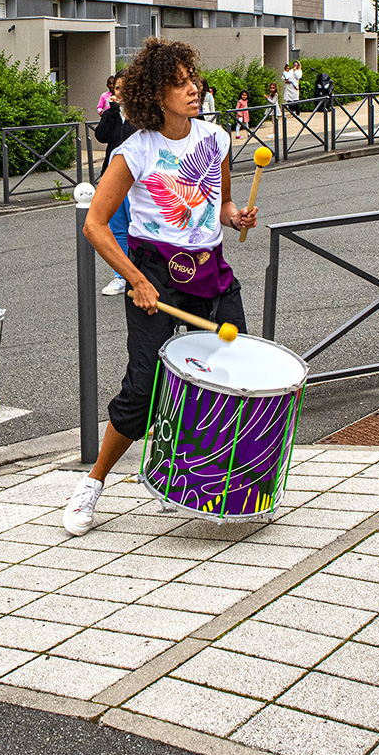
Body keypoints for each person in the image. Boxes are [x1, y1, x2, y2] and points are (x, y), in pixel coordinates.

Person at [65, 37, 256, 536]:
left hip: (211, 272)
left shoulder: (216, 139)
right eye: (180, 83)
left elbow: (223, 204)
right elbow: (96, 225)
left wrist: (237, 218)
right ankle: (94, 482)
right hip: (156, 276)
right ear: (156, 93)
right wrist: (136, 280)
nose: (193, 89)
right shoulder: (134, 150)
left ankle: (189, 475)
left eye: (193, 79)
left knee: (224, 374)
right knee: (145, 386)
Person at [94, 75, 135, 298]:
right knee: (116, 227)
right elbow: (102, 136)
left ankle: (139, 273)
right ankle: (120, 276)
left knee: (136, 226)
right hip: (111, 176)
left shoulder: (141, 115)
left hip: (135, 178)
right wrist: (111, 112)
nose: (119, 92)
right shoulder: (112, 112)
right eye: (117, 88)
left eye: (124, 88)